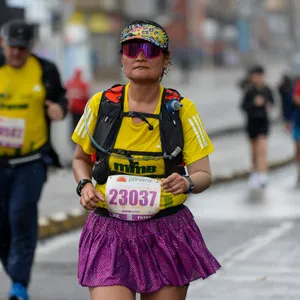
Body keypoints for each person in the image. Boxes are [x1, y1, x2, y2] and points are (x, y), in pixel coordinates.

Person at [72, 20, 220, 300]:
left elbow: (204, 174)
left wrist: (186, 182)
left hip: (168, 231)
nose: (140, 56)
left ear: (166, 60)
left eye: (151, 50)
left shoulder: (182, 110)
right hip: (109, 232)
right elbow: (80, 158)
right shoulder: (100, 104)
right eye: (131, 49)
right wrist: (84, 185)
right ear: (122, 59)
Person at [0, 19, 67, 300]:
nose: (16, 53)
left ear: (30, 47)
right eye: (12, 47)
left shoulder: (45, 70)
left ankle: (19, 284)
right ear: (3, 42)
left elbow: (61, 101)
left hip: (31, 160)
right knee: (2, 225)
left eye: (22, 48)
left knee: (21, 217)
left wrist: (58, 110)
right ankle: (16, 274)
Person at [240, 65, 275, 189]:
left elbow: (272, 103)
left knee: (262, 150)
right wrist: (254, 104)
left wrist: (265, 104)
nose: (257, 78)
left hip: (263, 124)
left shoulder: (267, 90)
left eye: (259, 76)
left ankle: (263, 175)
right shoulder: (249, 91)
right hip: (252, 124)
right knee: (254, 151)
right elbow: (243, 107)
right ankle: (254, 173)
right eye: (255, 76)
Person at [65, 68, 89, 132]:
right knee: (80, 124)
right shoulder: (83, 84)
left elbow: (66, 95)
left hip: (74, 108)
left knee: (74, 123)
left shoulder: (70, 83)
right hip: (80, 108)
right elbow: (86, 96)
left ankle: (74, 137)